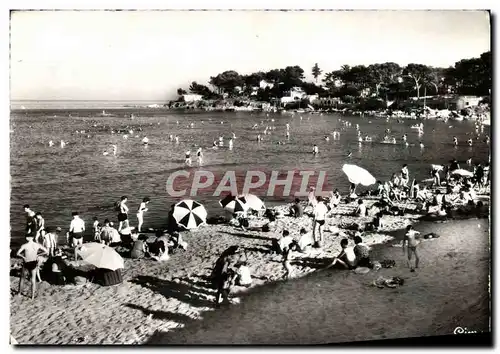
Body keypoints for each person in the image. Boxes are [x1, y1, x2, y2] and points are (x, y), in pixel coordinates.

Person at [17, 235, 48, 299]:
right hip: (34, 262)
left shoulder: (24, 245)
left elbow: (17, 253)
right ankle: (33, 296)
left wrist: (23, 257)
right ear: (33, 238)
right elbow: (46, 251)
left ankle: (19, 293)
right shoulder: (37, 245)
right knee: (33, 280)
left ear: (27, 238)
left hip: (27, 262)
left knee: (22, 278)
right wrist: (38, 255)